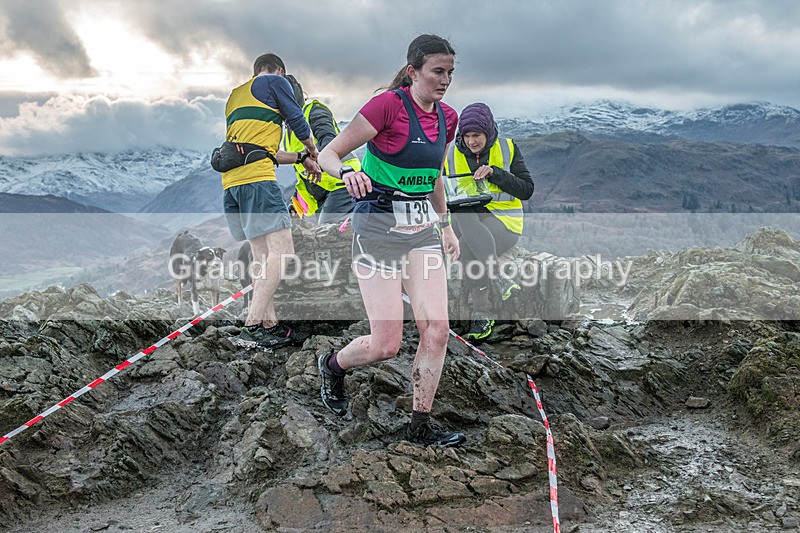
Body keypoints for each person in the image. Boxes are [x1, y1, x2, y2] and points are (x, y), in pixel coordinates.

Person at [316, 34, 465, 447]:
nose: (446, 80)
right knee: (386, 345)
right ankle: (332, 365)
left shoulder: (447, 119)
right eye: (438, 71)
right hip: (377, 231)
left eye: (451, 72)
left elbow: (435, 178)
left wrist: (447, 225)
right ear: (413, 71)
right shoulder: (388, 106)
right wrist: (347, 173)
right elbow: (329, 154)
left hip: (421, 233)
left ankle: (419, 427)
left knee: (437, 329)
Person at [221, 52, 322, 348]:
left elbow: (264, 150)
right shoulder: (274, 82)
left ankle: (269, 323)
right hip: (258, 182)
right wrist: (313, 152)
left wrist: (301, 159)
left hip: (233, 183)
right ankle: (252, 326)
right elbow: (298, 121)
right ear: (279, 71)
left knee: (261, 256)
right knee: (283, 251)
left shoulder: (235, 96)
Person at [444, 102, 534, 341]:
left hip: (504, 221)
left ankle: (481, 313)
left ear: (488, 132)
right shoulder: (449, 153)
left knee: (467, 251)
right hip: (465, 218)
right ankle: (498, 277)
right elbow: (438, 191)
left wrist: (496, 173)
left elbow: (527, 190)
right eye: (467, 136)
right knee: (463, 215)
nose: (472, 141)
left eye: (477, 135)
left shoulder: (508, 149)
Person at [281, 75, 361, 225]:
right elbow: (303, 177)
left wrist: (314, 156)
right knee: (320, 235)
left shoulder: (314, 110)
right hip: (323, 192)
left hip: (343, 182)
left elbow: (329, 140)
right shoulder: (288, 134)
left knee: (328, 230)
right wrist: (296, 206)